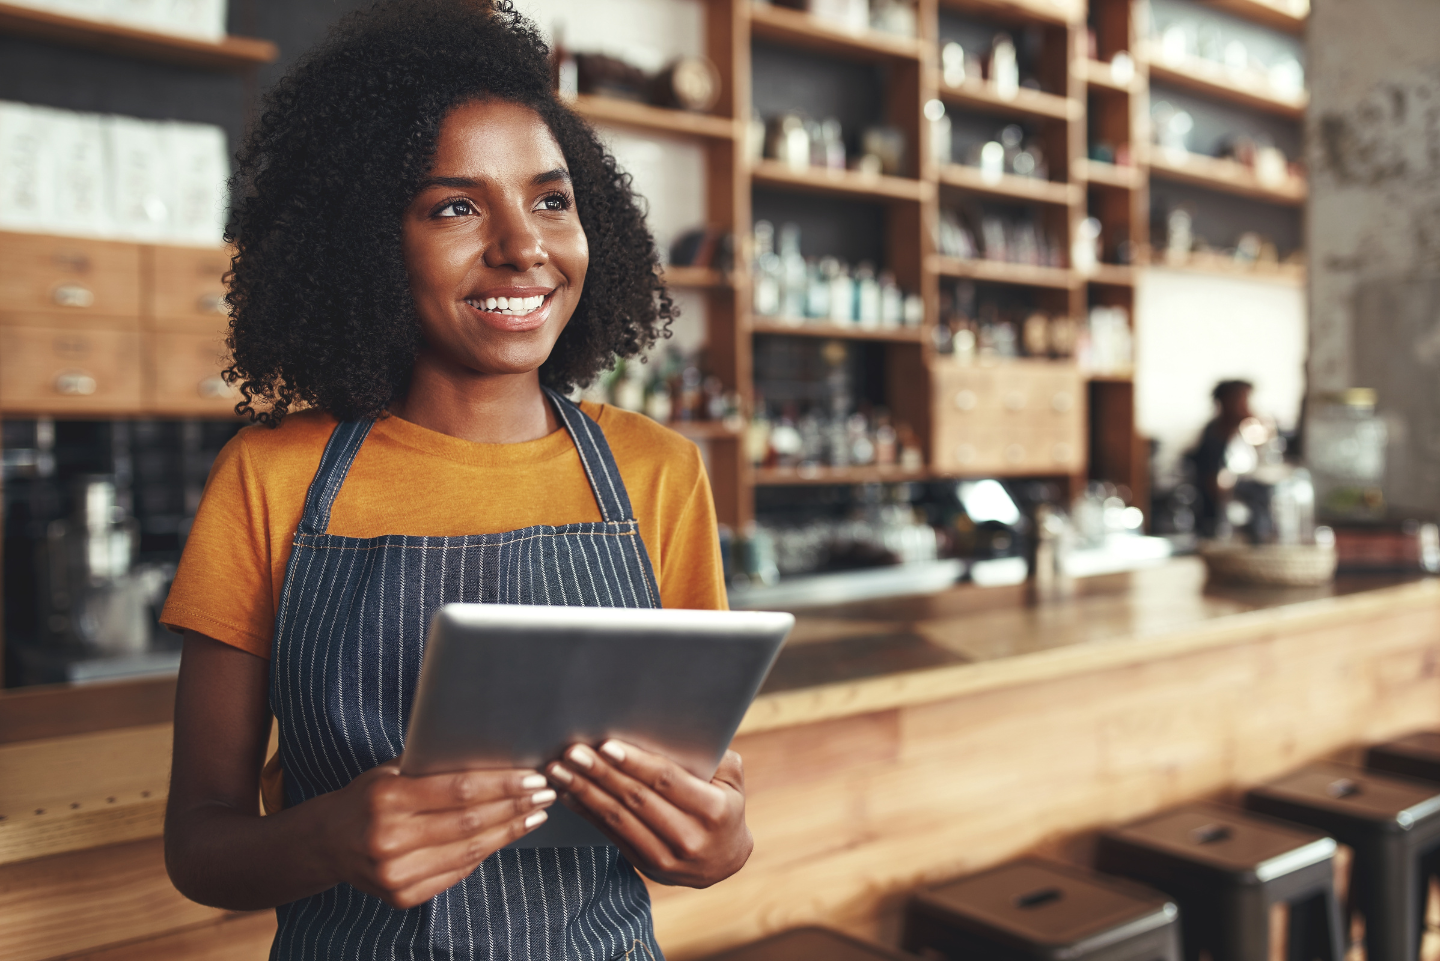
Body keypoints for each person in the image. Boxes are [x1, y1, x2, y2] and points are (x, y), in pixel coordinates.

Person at [159, 3, 751, 958]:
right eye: (455, 206)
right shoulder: (272, 480)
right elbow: (199, 841)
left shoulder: (659, 474)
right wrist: (325, 839)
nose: (524, 246)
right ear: (364, 239)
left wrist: (719, 842)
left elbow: (704, 790)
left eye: (551, 200)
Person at [1189, 379, 1254, 538]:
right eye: (1241, 399)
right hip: (1219, 521)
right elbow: (1211, 483)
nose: (1246, 406)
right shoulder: (1212, 436)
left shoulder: (1248, 433)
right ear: (1224, 402)